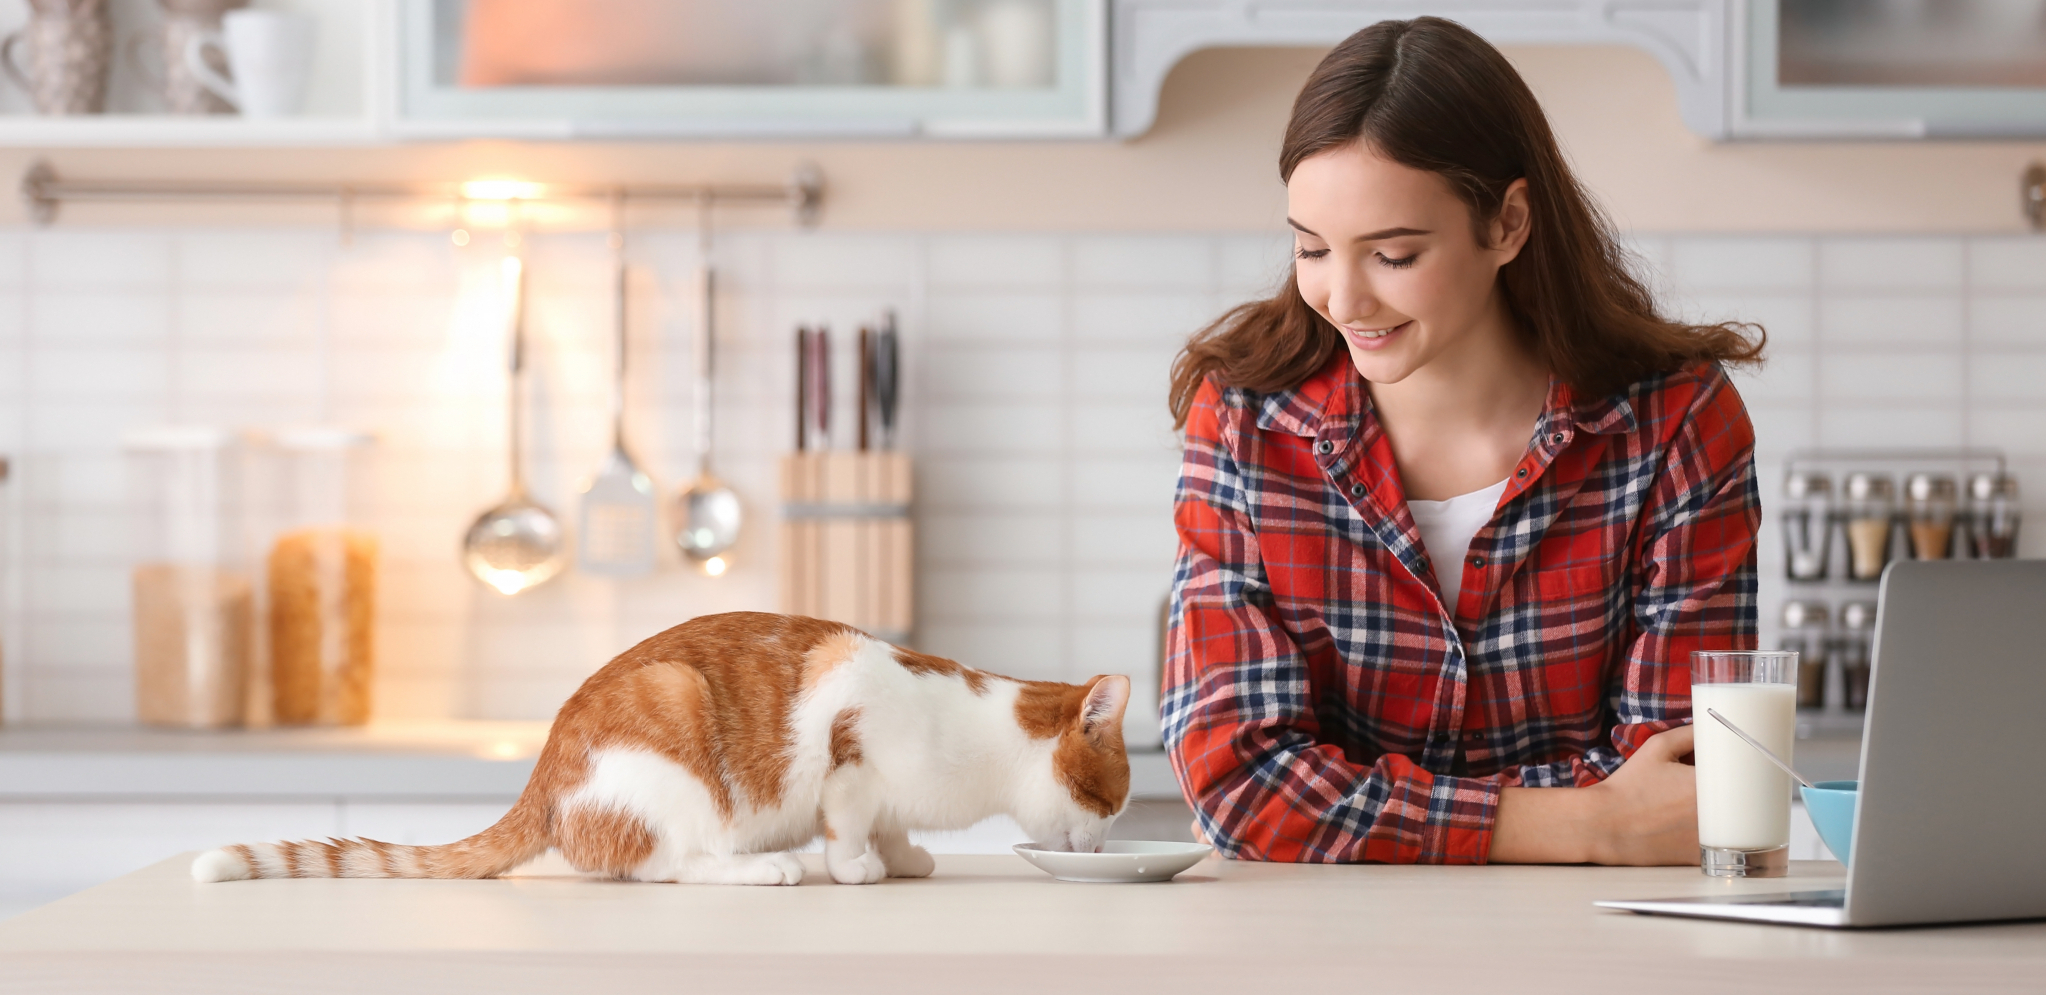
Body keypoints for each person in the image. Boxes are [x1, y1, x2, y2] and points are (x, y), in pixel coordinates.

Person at [1161, 17, 1765, 865]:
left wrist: (1336, 807)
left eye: (1394, 255)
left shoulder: (1675, 423)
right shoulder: (1245, 421)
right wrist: (1591, 823)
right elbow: (1239, 782)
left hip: (1594, 945)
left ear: (1509, 223)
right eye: (1311, 248)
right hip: (1319, 952)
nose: (1343, 298)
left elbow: (1678, 783)